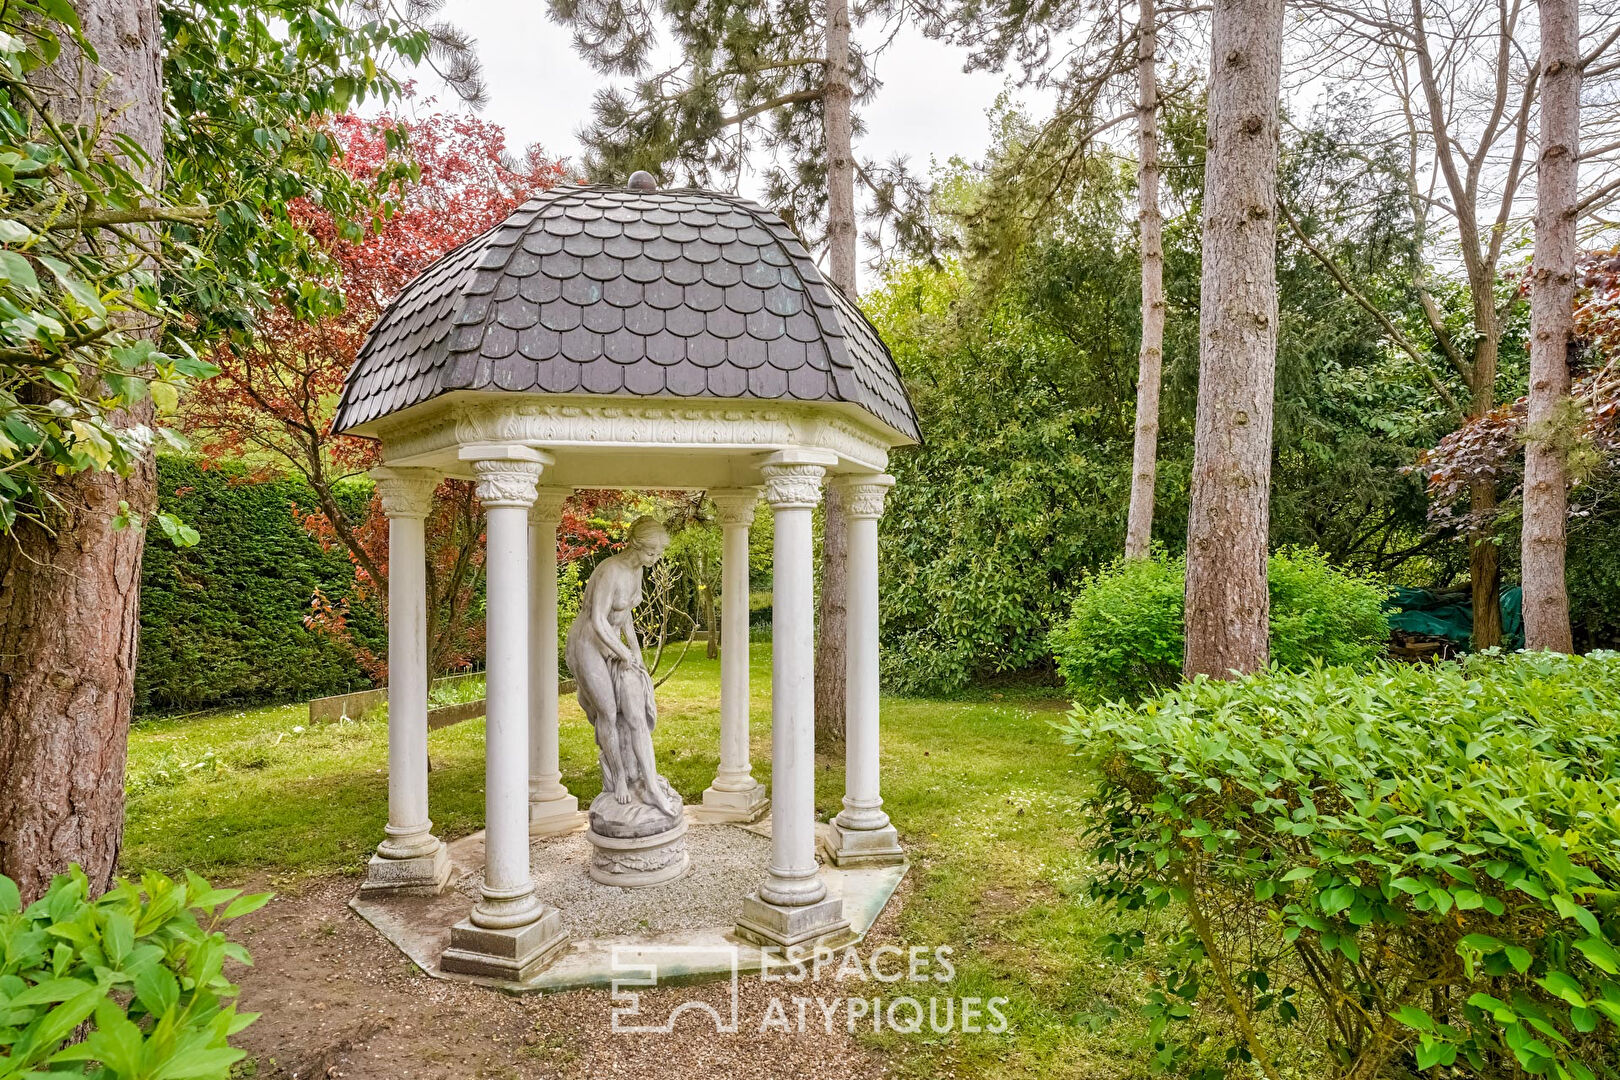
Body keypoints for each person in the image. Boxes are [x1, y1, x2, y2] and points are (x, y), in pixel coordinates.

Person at [564, 515, 677, 817]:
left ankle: (650, 784)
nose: (656, 558)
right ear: (635, 545)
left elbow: (624, 614)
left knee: (635, 714)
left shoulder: (637, 569)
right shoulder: (610, 571)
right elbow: (599, 618)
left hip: (615, 645)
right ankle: (618, 780)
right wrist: (622, 653)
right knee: (609, 713)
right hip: (589, 644)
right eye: (651, 552)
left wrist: (635, 652)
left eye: (658, 553)